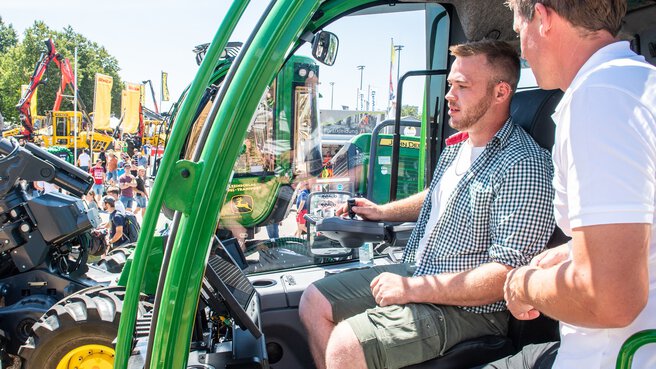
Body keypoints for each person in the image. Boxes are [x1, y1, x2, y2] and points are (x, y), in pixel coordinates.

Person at [298, 40, 556, 369]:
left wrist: (410, 289)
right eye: (450, 85)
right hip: (419, 272)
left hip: (472, 310)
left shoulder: (522, 165)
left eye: (462, 86)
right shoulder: (459, 147)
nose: (449, 96)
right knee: (313, 302)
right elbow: (438, 195)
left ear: (500, 92)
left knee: (346, 346)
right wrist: (380, 212)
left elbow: (505, 275)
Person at [479, 2, 656, 369]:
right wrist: (579, 248)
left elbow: (608, 298)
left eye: (518, 31)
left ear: (541, 18)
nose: (522, 48)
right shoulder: (638, 84)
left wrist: (522, 283)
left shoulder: (598, 99)